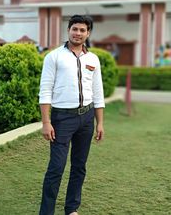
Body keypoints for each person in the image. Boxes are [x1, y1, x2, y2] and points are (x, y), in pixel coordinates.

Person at [38, 14, 105, 215]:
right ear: (68, 30)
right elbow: (45, 90)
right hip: (62, 118)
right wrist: (46, 122)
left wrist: (99, 123)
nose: (78, 33)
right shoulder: (54, 57)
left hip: (86, 117)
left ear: (88, 33)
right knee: (56, 167)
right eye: (75, 29)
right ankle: (46, 212)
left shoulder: (93, 59)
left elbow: (98, 91)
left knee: (79, 166)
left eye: (82, 30)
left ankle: (72, 208)